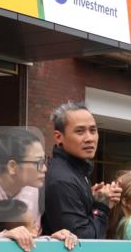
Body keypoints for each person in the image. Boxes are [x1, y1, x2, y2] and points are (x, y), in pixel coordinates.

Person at [41, 102, 120, 238]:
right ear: (59, 137)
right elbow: (82, 240)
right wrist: (102, 206)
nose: (89, 138)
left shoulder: (76, 170)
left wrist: (95, 200)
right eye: (80, 131)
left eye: (93, 130)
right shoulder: (62, 180)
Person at [0, 199, 79, 251]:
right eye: (32, 225)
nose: (37, 227)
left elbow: (42, 241)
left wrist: (57, 240)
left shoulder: (37, 243)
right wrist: (5, 235)